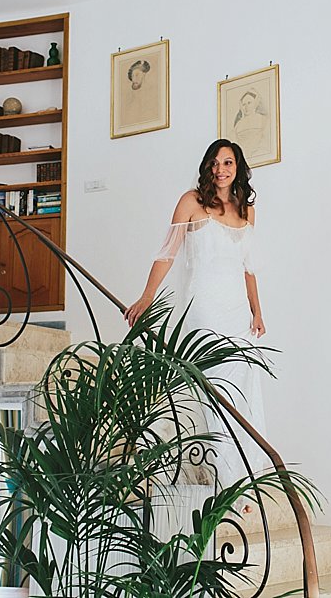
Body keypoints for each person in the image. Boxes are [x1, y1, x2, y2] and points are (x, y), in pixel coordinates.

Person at [125, 138, 267, 509]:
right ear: (207, 167)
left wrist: (257, 310)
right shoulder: (191, 201)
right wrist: (146, 297)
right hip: (204, 308)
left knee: (244, 393)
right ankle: (226, 481)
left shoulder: (247, 210)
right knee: (216, 392)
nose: (221, 169)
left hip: (238, 312)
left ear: (238, 168)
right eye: (216, 163)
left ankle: (246, 481)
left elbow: (248, 267)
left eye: (229, 163)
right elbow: (167, 253)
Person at [231, 89, 269, 160]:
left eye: (249, 103)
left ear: (255, 103)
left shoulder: (263, 119)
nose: (246, 107)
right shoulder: (238, 124)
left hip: (259, 153)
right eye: (244, 104)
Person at [121, 59, 158, 126]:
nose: (134, 79)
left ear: (144, 75)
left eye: (137, 75)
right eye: (132, 76)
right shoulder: (129, 97)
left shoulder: (151, 93)